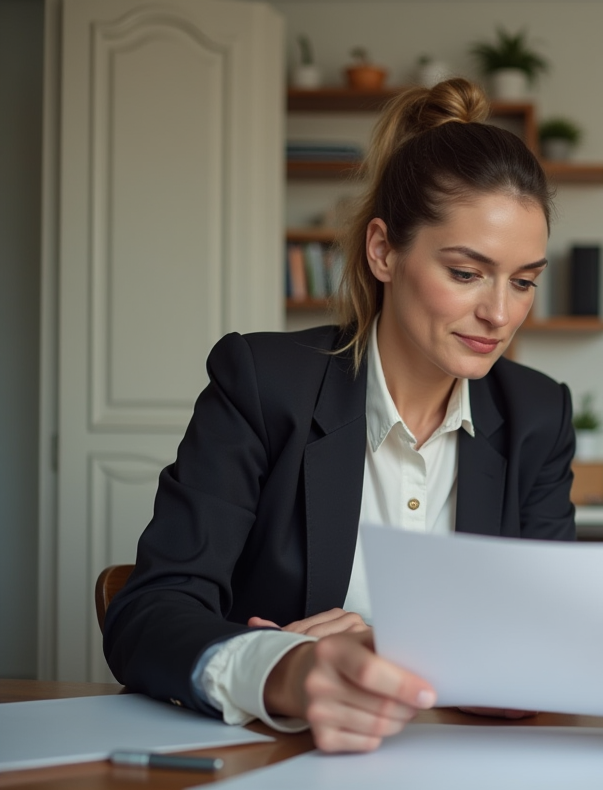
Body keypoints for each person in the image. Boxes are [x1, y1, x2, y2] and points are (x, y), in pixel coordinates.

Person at [104, 79, 576, 753]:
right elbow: (146, 616)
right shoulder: (263, 385)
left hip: (462, 769)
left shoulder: (536, 415)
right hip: (281, 764)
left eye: (524, 281)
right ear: (383, 251)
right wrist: (286, 670)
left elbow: (552, 632)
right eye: (467, 273)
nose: (500, 314)